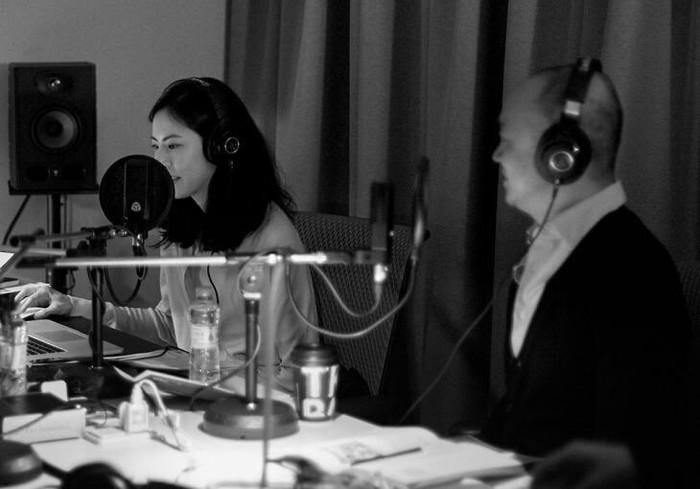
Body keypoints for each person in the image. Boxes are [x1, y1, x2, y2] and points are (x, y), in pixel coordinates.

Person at [15, 77, 318, 389]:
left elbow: (295, 374)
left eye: (173, 145)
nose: (160, 161)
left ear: (222, 147)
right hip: (191, 389)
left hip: (249, 405)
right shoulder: (181, 223)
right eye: (155, 146)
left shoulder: (272, 240)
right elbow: (171, 326)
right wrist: (75, 307)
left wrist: (207, 388)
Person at [474, 58, 690, 486]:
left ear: (561, 154)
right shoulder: (549, 249)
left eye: (507, 139)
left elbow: (636, 450)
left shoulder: (631, 271)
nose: (497, 155)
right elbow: (528, 410)